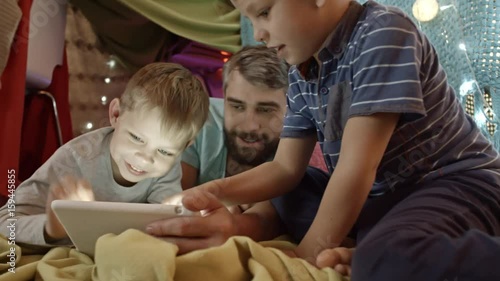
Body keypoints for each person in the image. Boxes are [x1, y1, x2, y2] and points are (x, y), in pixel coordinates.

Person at [164, 1, 500, 280]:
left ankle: (379, 254)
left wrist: (304, 257)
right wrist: (216, 191)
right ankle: (367, 249)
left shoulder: (383, 32)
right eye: (250, 18)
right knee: (290, 190)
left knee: (386, 258)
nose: (257, 32)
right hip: (379, 199)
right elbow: (284, 168)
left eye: (264, 11)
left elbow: (356, 170)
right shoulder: (301, 70)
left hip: (451, 184)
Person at [0, 62, 209, 246]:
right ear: (116, 114)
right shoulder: (74, 159)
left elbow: (160, 224)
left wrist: (179, 215)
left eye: (164, 151)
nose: (145, 158)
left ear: (185, 147)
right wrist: (51, 229)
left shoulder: (169, 165)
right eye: (136, 138)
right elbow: (5, 223)